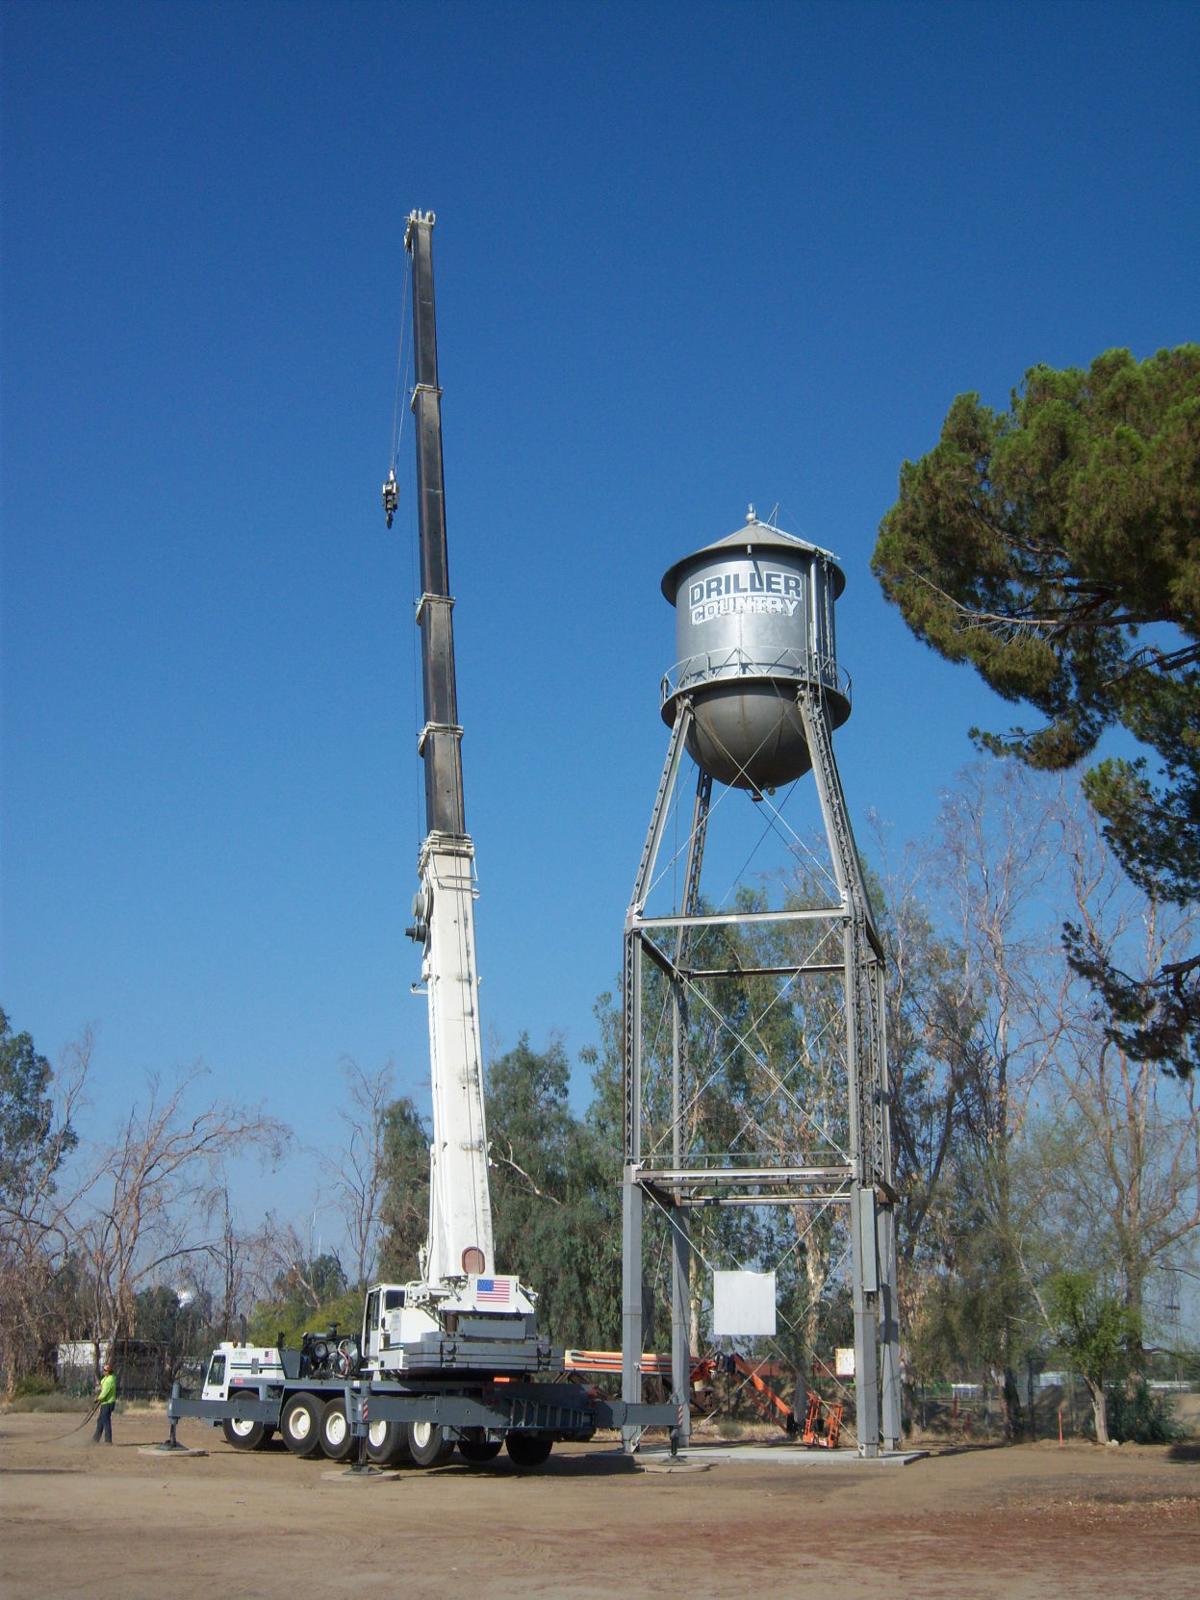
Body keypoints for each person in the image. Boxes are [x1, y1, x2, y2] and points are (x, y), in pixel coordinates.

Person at [92, 1362, 117, 1445]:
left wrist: (98, 1398)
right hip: (104, 1403)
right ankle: (96, 1439)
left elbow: (105, 1391)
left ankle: (108, 1440)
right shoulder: (106, 1379)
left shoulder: (110, 1380)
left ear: (108, 1371)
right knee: (100, 1421)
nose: (103, 1371)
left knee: (106, 1421)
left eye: (104, 1370)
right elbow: (102, 1385)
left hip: (108, 1403)